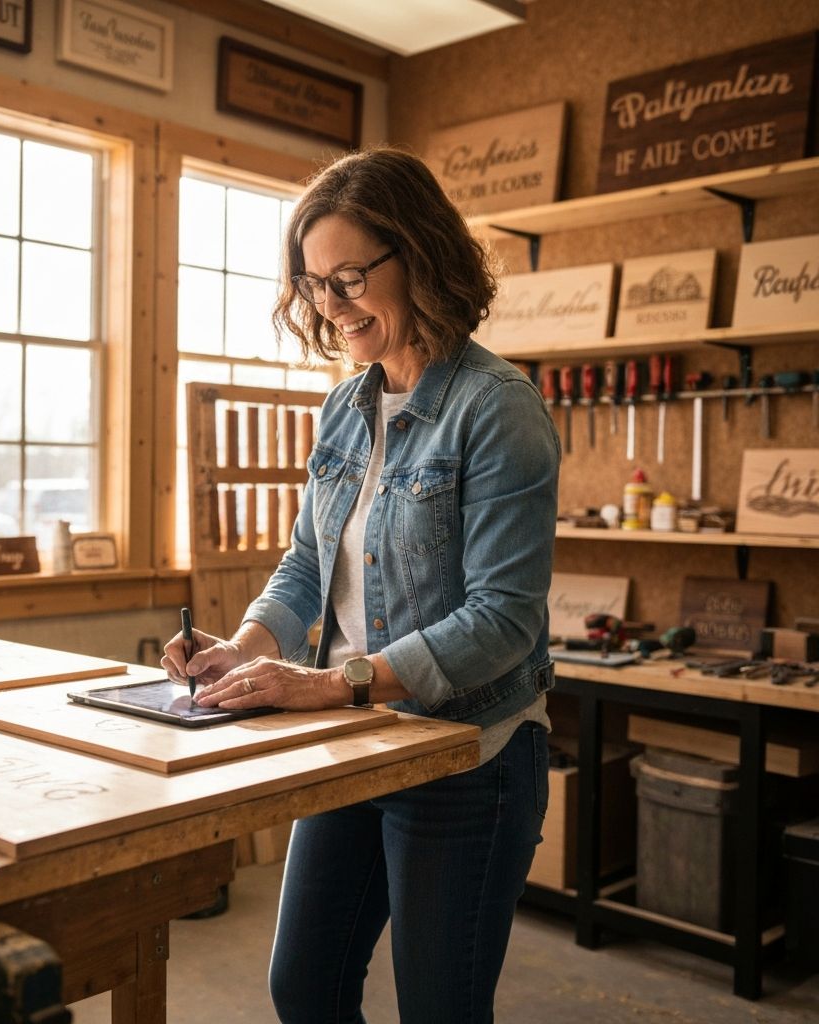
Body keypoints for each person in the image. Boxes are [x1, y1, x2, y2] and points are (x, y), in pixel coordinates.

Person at [163, 145, 561, 1023]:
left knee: (439, 1006)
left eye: (348, 278)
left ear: (418, 255)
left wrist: (329, 682)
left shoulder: (497, 409)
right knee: (304, 988)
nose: (329, 307)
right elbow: (309, 562)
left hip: (470, 754)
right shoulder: (347, 407)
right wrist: (246, 646)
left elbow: (501, 619)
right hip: (357, 741)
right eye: (313, 284)